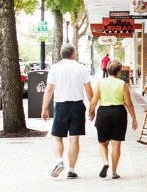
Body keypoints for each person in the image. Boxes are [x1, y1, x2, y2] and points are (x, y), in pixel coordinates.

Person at [42, 44, 93, 179]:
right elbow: (89, 90)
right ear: (74, 54)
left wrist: (44, 108)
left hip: (61, 106)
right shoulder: (81, 68)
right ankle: (71, 170)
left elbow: (49, 90)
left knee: (57, 136)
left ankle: (59, 160)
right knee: (74, 139)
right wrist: (92, 108)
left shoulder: (55, 68)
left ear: (61, 54)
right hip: (77, 106)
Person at [88, 60, 138, 179]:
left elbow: (94, 101)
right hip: (119, 113)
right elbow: (129, 103)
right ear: (118, 71)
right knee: (116, 144)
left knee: (102, 142)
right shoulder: (122, 84)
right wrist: (134, 119)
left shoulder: (100, 83)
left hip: (103, 113)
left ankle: (105, 162)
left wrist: (91, 112)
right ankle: (114, 172)